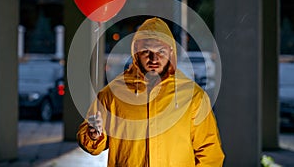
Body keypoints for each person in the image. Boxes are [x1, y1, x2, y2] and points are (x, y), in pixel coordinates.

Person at [77, 17, 225, 166]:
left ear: (171, 52)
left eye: (161, 51)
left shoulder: (193, 96)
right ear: (136, 52)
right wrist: (94, 135)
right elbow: (91, 144)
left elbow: (209, 153)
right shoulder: (112, 94)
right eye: (146, 51)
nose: (154, 59)